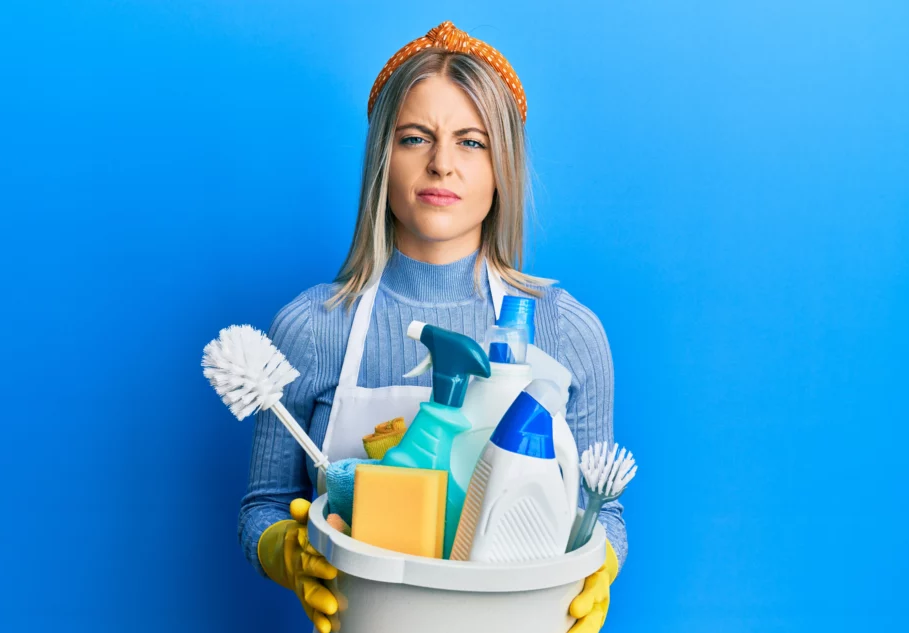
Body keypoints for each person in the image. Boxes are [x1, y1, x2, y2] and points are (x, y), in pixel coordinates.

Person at [238, 21, 627, 633]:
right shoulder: (313, 326)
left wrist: (600, 563)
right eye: (416, 137)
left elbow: (601, 510)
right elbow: (263, 506)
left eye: (471, 142)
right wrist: (287, 552)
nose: (442, 165)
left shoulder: (566, 330)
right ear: (381, 159)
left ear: (504, 168)